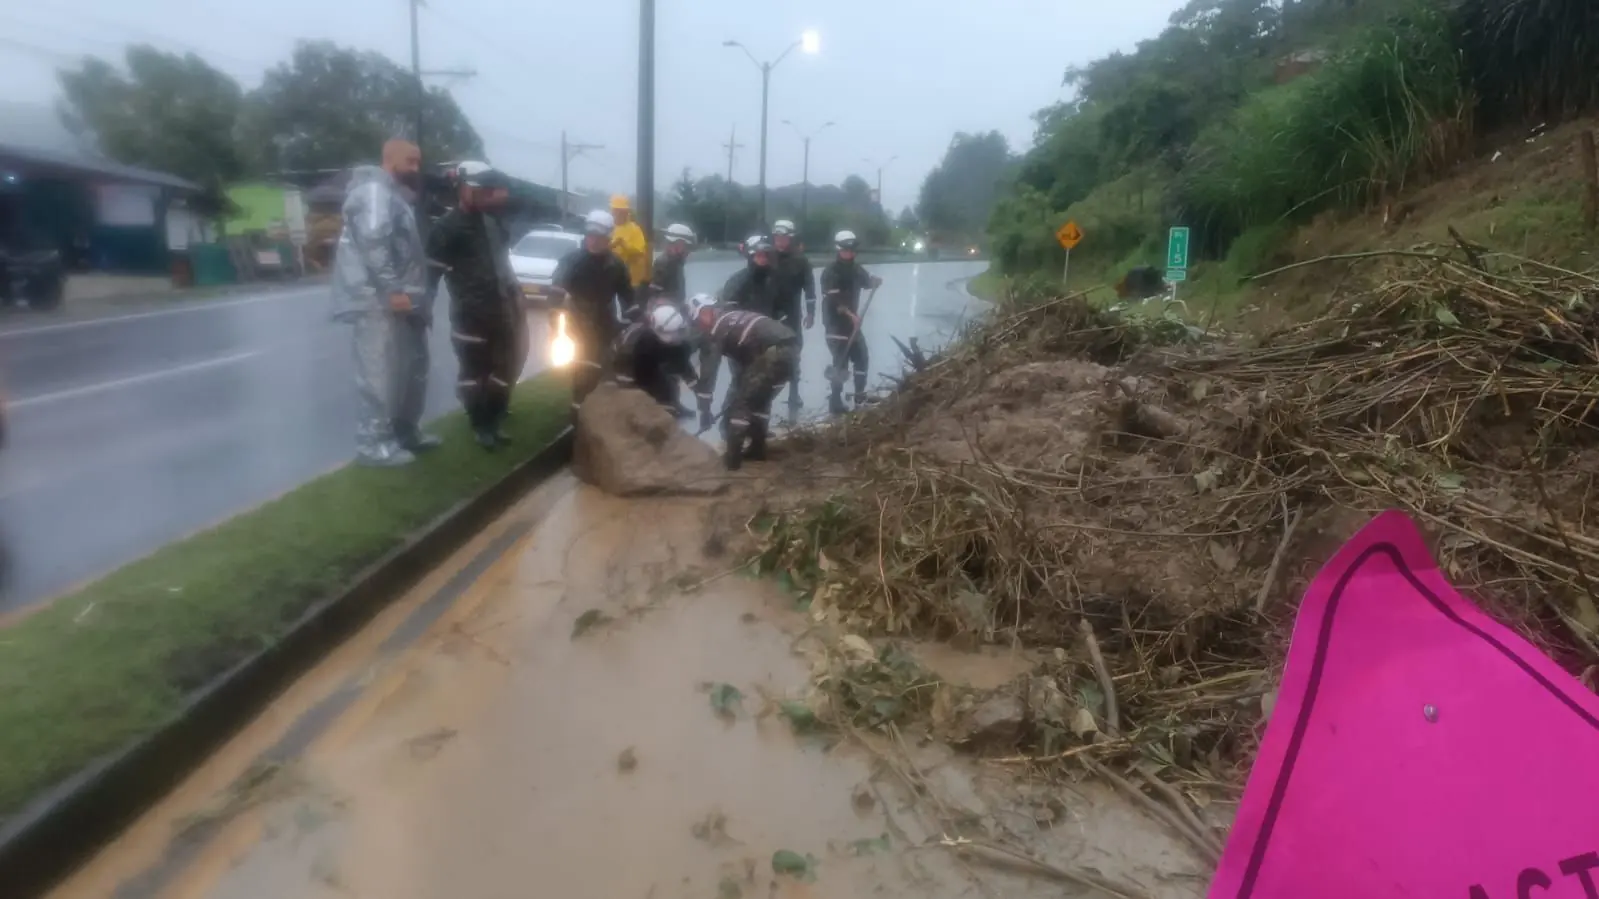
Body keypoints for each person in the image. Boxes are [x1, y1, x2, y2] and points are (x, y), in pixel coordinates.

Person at [330, 138, 435, 467]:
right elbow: (374, 243)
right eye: (410, 162)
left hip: (402, 302)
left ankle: (405, 431)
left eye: (418, 162)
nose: (416, 169)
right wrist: (392, 290)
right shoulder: (375, 193)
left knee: (411, 369)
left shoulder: (394, 197)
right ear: (389, 160)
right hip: (378, 302)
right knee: (381, 373)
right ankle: (373, 444)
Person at [427, 161, 521, 450]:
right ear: (461, 188)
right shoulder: (446, 228)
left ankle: (493, 418)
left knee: (503, 368)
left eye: (487, 190)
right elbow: (431, 274)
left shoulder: (492, 223)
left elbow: (503, 266)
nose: (484, 195)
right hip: (469, 315)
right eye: (478, 189)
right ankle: (480, 425)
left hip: (500, 311)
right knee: (474, 373)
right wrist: (423, 309)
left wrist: (515, 296)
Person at [690, 295, 800, 471]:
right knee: (760, 401)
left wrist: (704, 411)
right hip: (791, 350)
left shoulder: (717, 329)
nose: (700, 327)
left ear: (705, 312)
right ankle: (757, 449)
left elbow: (708, 375)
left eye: (697, 321)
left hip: (772, 353)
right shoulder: (735, 318)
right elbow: (748, 364)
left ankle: (732, 460)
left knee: (741, 405)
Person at [552, 209, 636, 425]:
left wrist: (630, 322)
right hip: (577, 323)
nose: (594, 241)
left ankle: (601, 420)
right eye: (590, 236)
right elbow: (555, 297)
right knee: (582, 374)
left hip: (606, 322)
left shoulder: (616, 265)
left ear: (608, 239)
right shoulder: (571, 262)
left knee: (605, 372)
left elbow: (628, 298)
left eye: (599, 238)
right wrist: (556, 328)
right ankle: (577, 421)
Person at [819, 229, 882, 415]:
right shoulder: (830, 272)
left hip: (852, 325)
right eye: (846, 249)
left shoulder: (856, 269)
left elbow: (866, 281)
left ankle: (860, 399)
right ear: (838, 249)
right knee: (840, 364)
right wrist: (849, 314)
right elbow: (834, 299)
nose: (850, 253)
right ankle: (836, 402)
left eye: (853, 249)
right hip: (835, 324)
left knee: (862, 358)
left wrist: (874, 282)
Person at [612, 297, 697, 415]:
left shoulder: (669, 337)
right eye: (670, 333)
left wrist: (697, 387)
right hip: (630, 368)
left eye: (677, 332)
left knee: (669, 380)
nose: (675, 337)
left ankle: (671, 404)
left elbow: (681, 362)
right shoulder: (632, 343)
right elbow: (622, 373)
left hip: (651, 359)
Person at [769, 219, 817, 408]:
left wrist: (811, 313)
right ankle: (764, 397)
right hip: (769, 313)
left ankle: (794, 394)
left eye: (784, 238)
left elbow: (810, 288)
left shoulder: (801, 260)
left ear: (791, 238)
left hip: (792, 314)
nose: (780, 241)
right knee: (768, 357)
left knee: (794, 354)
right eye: (777, 237)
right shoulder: (767, 256)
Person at [718, 235, 782, 317]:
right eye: (759, 255)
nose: (763, 259)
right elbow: (728, 311)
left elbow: (780, 307)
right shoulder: (738, 281)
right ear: (751, 256)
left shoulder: (773, 279)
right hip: (745, 326)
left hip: (769, 326)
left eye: (766, 255)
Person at [609, 194, 651, 290]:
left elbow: (640, 251)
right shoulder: (608, 227)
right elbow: (600, 249)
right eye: (615, 211)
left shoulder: (635, 229)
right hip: (609, 278)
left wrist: (624, 245)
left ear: (626, 212)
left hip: (630, 280)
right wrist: (612, 245)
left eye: (621, 211)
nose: (618, 214)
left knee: (629, 304)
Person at [650, 223, 695, 304]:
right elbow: (655, 295)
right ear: (677, 243)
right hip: (667, 311)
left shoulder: (676, 263)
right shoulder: (663, 263)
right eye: (686, 246)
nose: (688, 251)